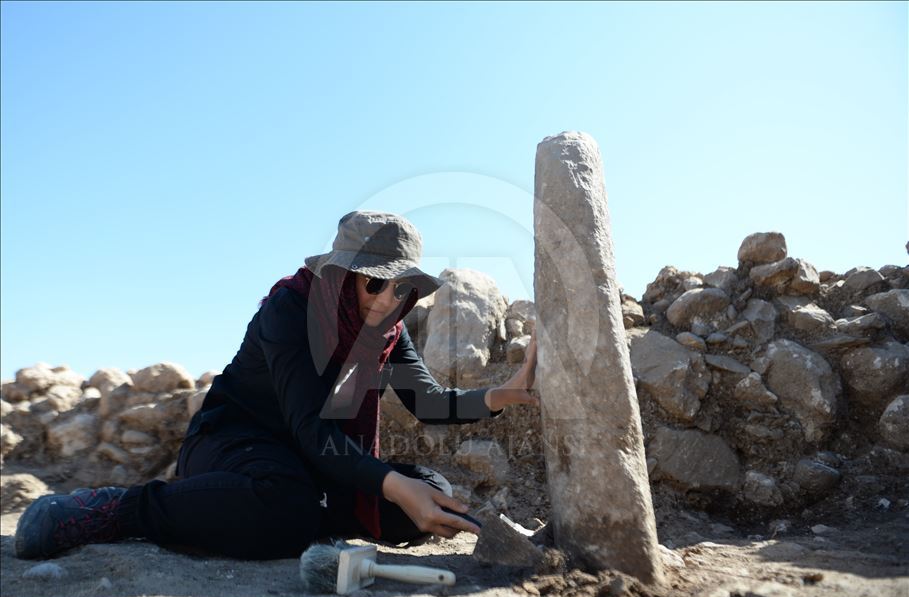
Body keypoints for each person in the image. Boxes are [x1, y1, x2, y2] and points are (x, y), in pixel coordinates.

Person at [15, 210, 538, 560]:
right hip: (234, 442)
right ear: (343, 276)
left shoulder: (386, 330)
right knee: (292, 505)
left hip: (311, 461)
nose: (386, 299)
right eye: (374, 282)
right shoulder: (290, 310)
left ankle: (288, 515)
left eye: (401, 288)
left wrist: (503, 394)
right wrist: (393, 484)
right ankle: (117, 508)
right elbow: (311, 428)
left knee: (433, 495)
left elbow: (426, 401)